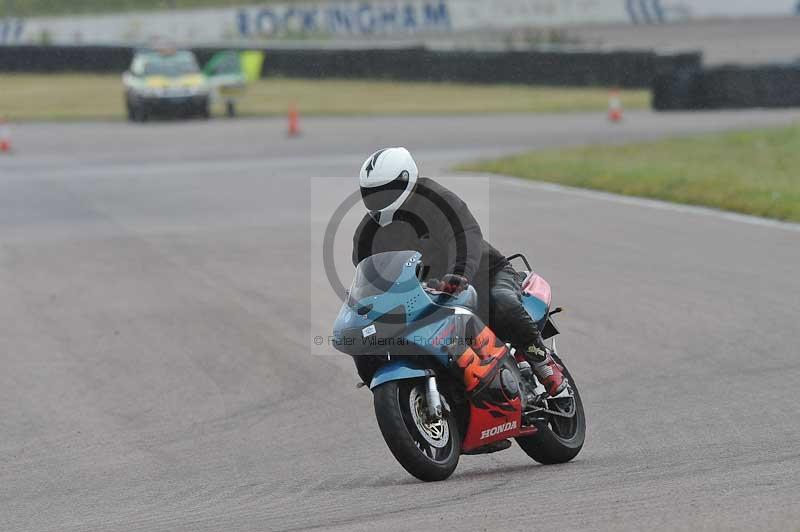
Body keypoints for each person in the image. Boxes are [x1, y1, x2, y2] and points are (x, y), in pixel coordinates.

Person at [351, 147, 566, 396]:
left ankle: (543, 363)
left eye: (387, 190)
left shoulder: (436, 201)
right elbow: (368, 276)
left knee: (501, 303)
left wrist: (459, 274)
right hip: (425, 298)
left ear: (406, 179)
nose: (380, 198)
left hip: (483, 274)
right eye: (372, 193)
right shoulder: (367, 232)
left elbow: (465, 235)